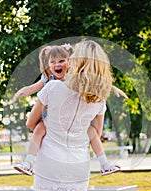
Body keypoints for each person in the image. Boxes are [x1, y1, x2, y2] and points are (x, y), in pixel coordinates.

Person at [25, 39, 115, 191]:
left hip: (50, 163)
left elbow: (30, 123)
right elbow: (95, 133)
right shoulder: (100, 98)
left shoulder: (52, 87)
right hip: (78, 166)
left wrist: (48, 125)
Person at [13, 43, 126, 176]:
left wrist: (113, 88)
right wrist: (18, 93)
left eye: (62, 61)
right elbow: (32, 89)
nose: (57, 65)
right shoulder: (47, 80)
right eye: (52, 62)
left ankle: (104, 164)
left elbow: (93, 80)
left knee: (92, 132)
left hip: (67, 121)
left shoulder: (72, 79)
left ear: (69, 62)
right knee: (39, 129)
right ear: (48, 64)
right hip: (50, 117)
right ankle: (28, 162)